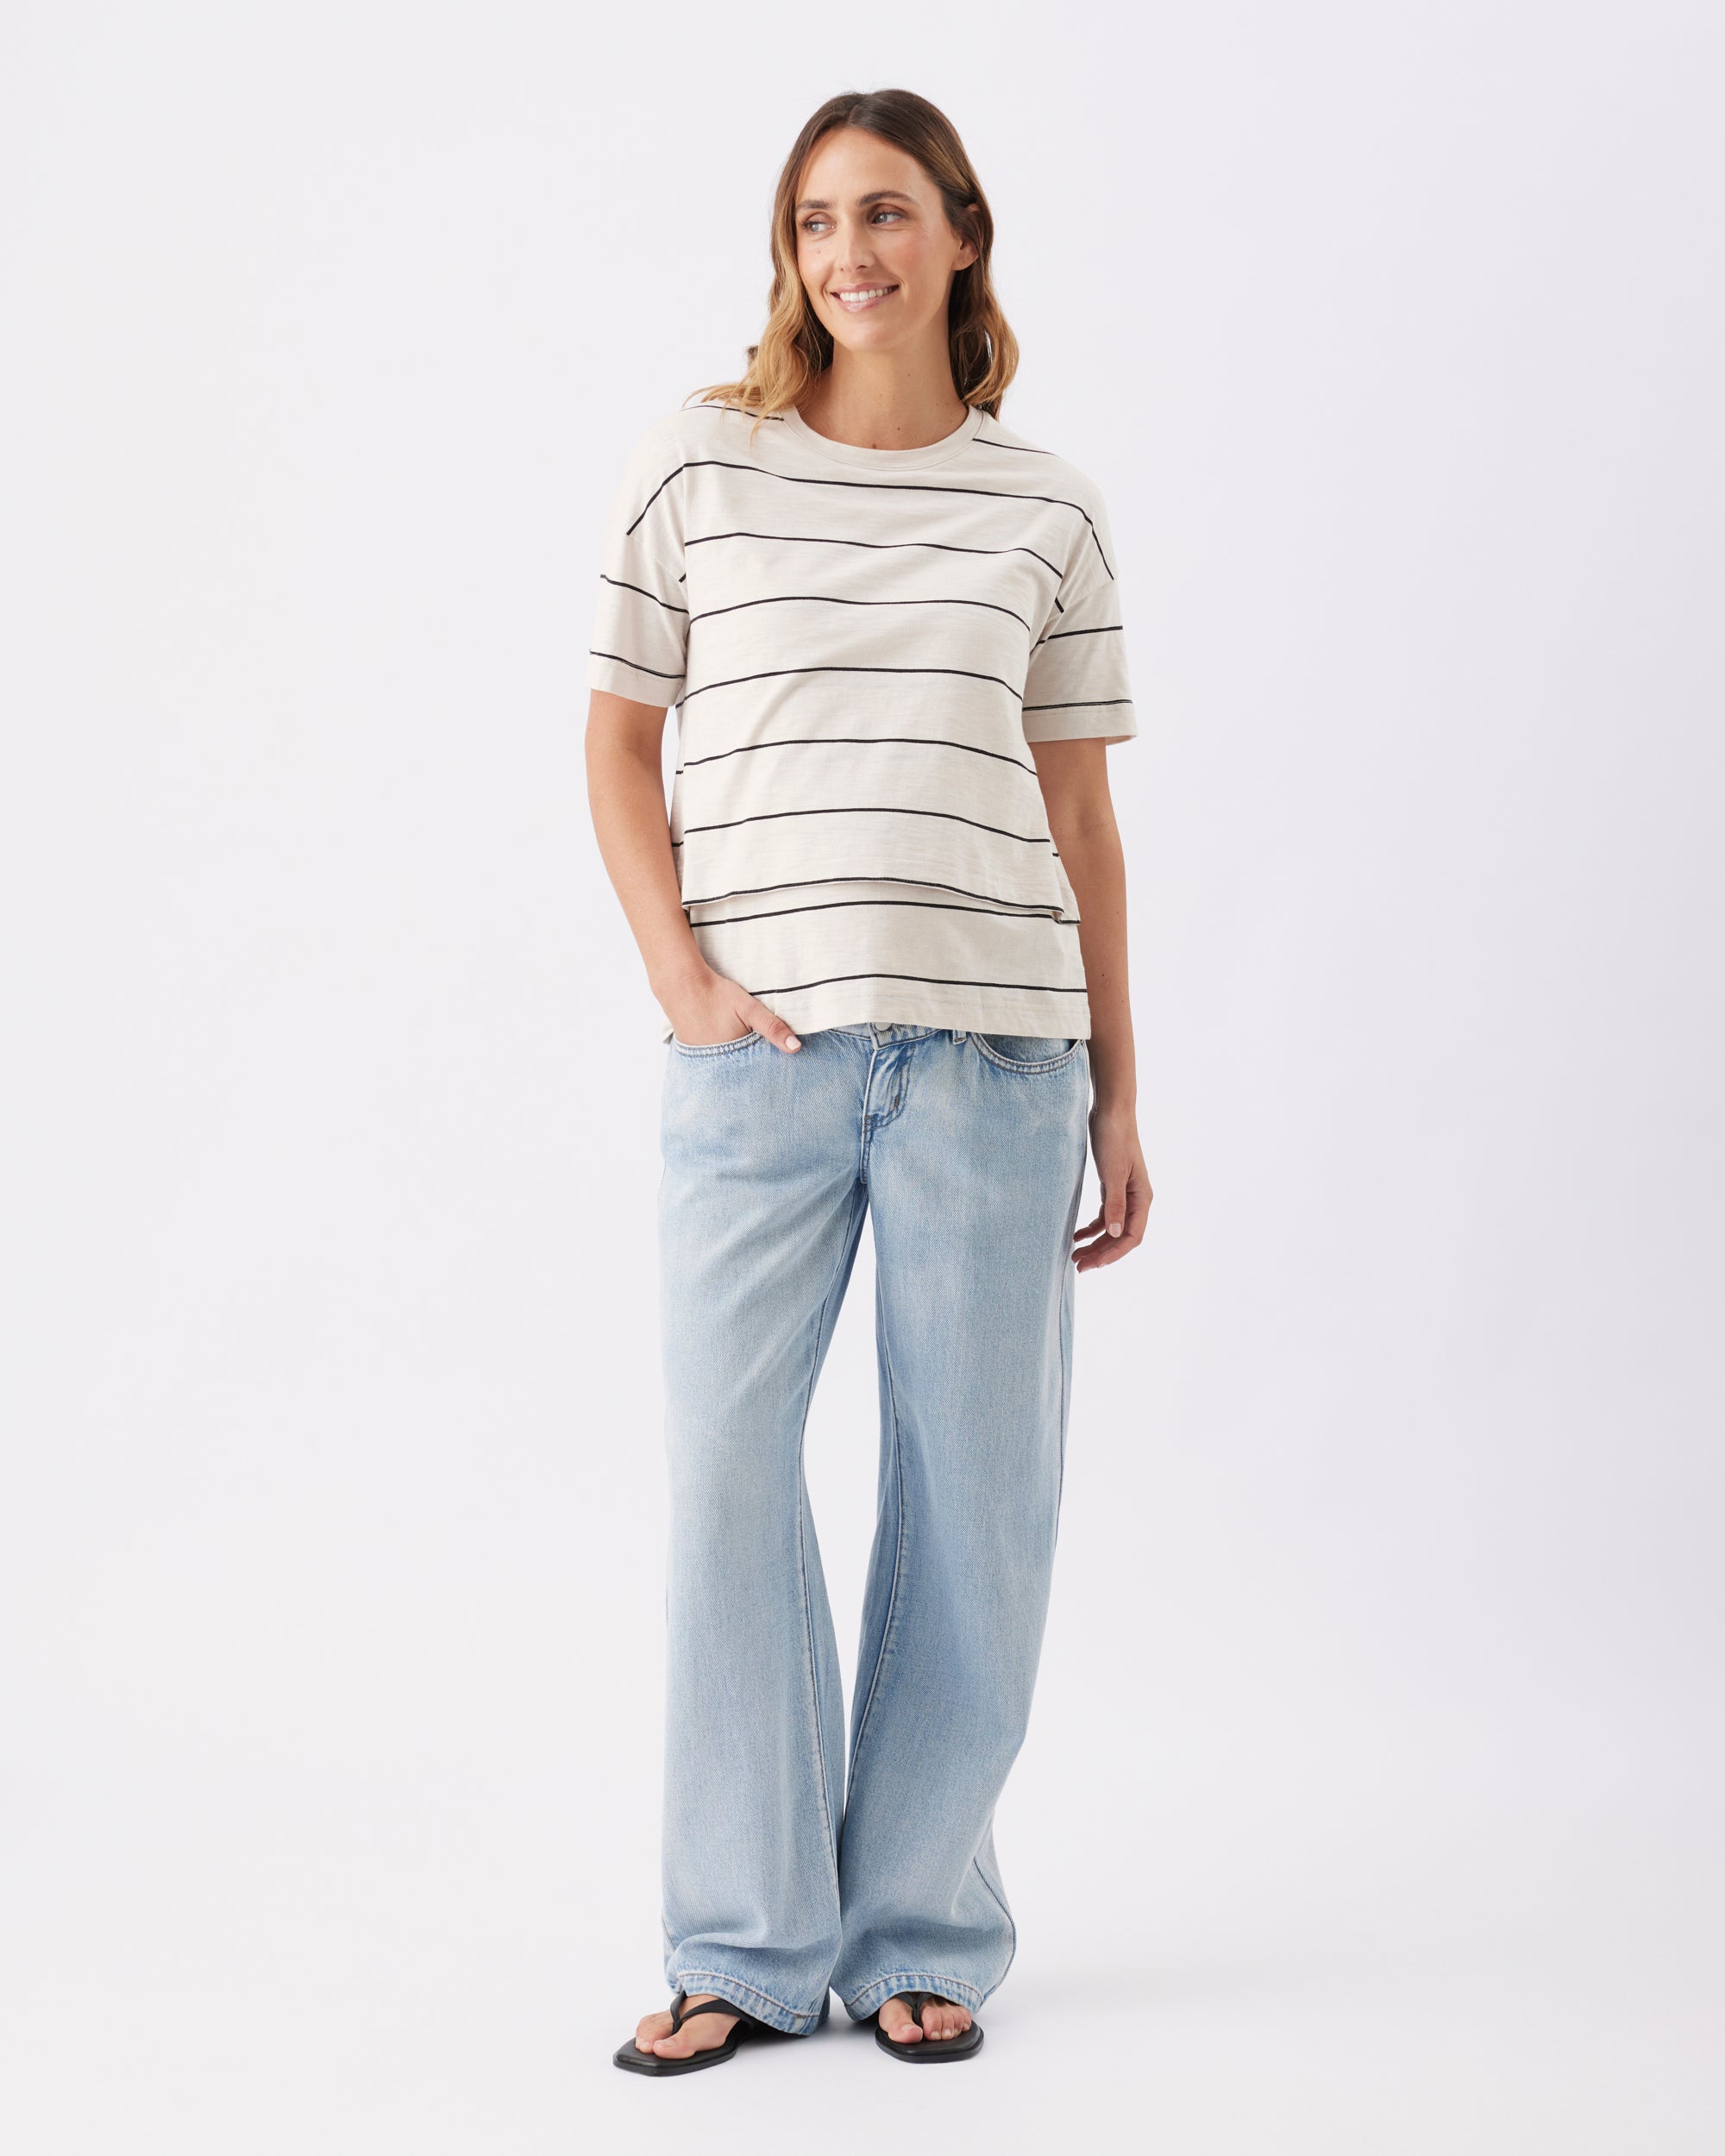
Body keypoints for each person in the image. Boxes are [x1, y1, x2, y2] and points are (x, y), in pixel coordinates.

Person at [585, 86, 1151, 2075]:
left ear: (961, 236)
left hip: (1000, 1053)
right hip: (756, 1063)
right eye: (820, 219)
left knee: (972, 1505)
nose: (854, 252)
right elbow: (613, 747)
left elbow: (1082, 822)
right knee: (729, 1484)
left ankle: (918, 1923)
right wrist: (681, 980)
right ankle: (739, 1942)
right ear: (789, 250)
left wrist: (1120, 1091)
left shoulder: (1046, 505)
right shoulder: (701, 464)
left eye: (890, 212)